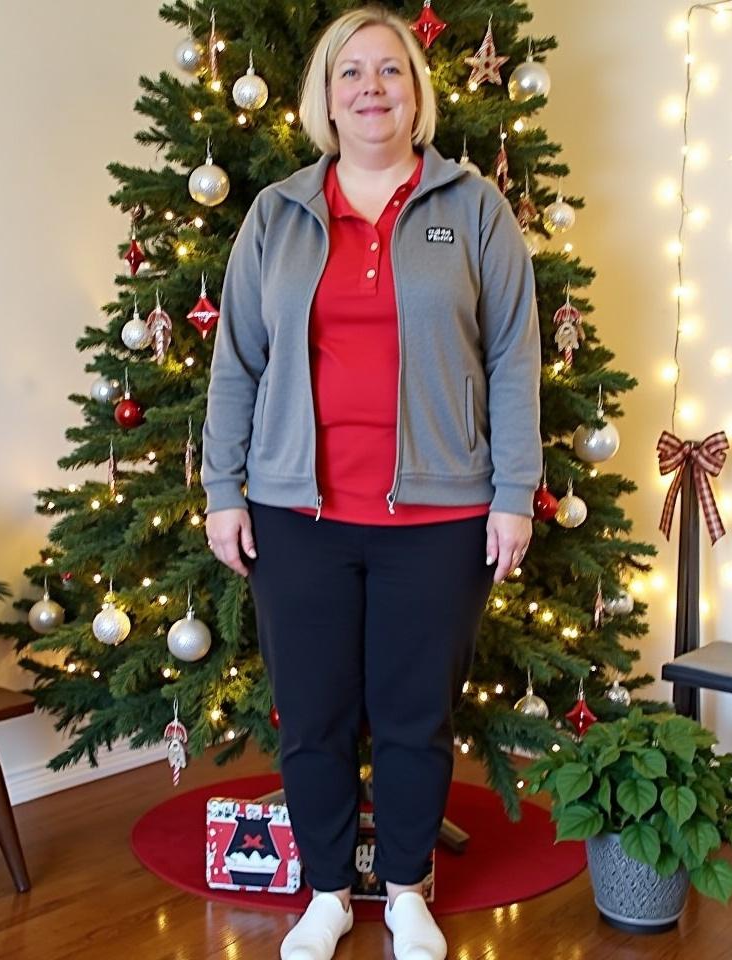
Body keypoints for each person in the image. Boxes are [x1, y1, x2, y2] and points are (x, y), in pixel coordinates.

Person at [202, 7, 541, 959]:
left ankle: (404, 891)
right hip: (296, 510)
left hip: (439, 515)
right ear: (327, 96)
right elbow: (237, 362)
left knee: (411, 715)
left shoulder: (473, 208)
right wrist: (224, 491)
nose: (371, 89)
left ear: (416, 92)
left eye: (389, 71)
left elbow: (516, 356)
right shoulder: (277, 214)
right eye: (352, 73)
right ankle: (324, 895)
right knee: (311, 716)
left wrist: (514, 492)